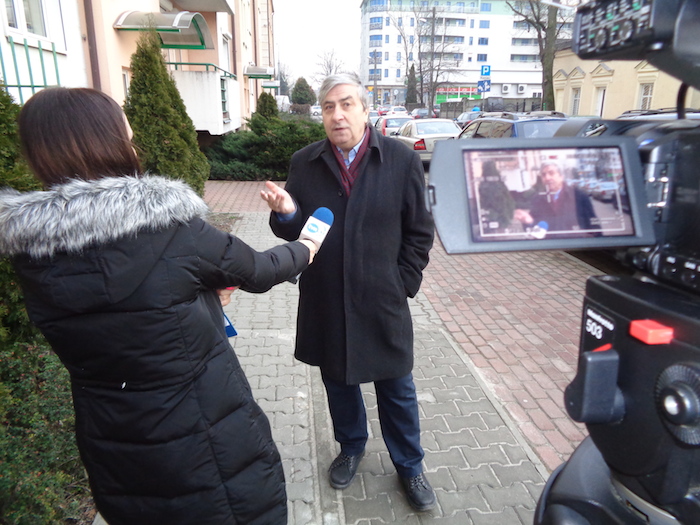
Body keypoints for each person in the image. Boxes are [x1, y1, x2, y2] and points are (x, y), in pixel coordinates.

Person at [0, 87, 318, 525]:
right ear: (107, 144)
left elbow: (125, 319)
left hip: (116, 450)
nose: (134, 148)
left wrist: (198, 298)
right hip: (206, 443)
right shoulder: (171, 229)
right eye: (127, 138)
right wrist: (305, 248)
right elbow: (259, 270)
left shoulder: (31, 253)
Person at [260, 73, 436, 511]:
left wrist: (403, 283)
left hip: (383, 299)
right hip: (326, 297)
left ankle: (410, 465)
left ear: (365, 109)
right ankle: (351, 445)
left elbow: (419, 230)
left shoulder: (399, 159)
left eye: (346, 104)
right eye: (328, 107)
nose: (337, 115)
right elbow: (297, 230)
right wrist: (286, 213)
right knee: (338, 381)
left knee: (396, 386)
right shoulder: (305, 162)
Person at [513, 161, 597, 234]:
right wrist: (529, 222)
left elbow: (594, 229)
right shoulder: (538, 199)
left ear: (561, 176)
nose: (547, 178)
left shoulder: (579, 196)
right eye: (543, 175)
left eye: (551, 173)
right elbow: (536, 232)